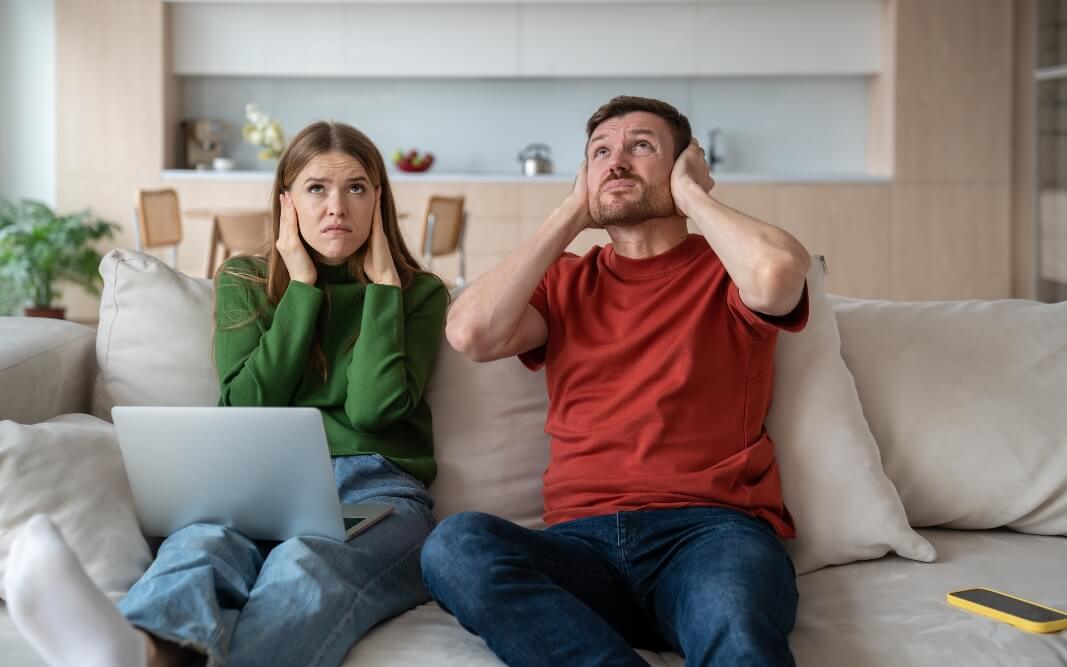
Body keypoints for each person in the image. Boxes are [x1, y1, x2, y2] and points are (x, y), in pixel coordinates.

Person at [5, 121, 448, 667]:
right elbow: (245, 408)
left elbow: (371, 410)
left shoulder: (418, 292)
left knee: (307, 564)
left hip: (378, 488)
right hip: (258, 479)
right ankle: (140, 649)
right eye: (316, 188)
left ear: (378, 200)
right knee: (200, 547)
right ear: (286, 202)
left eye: (356, 188)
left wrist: (382, 288)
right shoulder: (245, 279)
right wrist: (302, 290)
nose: (337, 207)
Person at [420, 96, 811, 667]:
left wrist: (695, 198)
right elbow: (470, 333)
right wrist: (572, 211)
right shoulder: (566, 281)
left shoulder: (725, 269)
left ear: (684, 166)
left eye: (641, 147)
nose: (616, 162)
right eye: (600, 152)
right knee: (454, 547)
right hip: (582, 546)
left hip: (709, 536)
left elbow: (779, 277)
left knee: (736, 628)